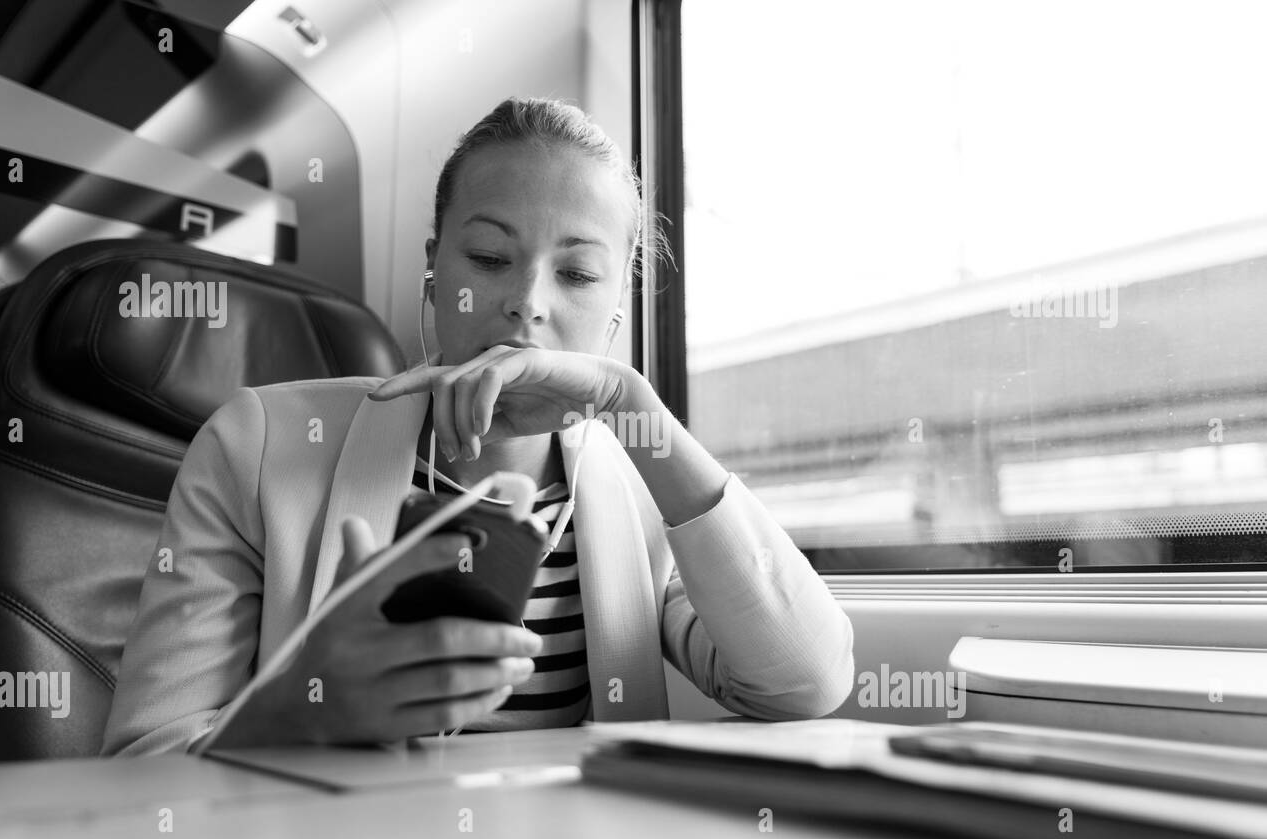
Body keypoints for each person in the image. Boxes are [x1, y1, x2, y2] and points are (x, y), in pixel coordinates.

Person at [101, 97, 854, 755]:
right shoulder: (254, 446)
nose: (528, 301)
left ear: (615, 313)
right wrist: (302, 710)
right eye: (491, 257)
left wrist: (635, 407)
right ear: (436, 270)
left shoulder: (644, 486)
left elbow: (805, 683)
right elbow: (144, 767)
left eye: (578, 274)